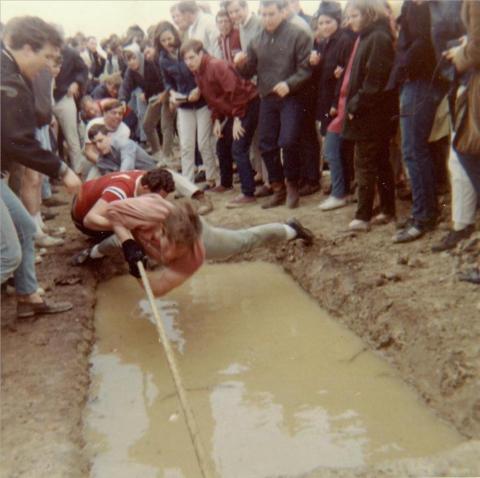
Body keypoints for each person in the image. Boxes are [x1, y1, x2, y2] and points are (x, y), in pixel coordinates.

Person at [102, 176, 315, 297]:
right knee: (114, 242)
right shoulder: (152, 209)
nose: (170, 256)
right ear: (162, 230)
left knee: (242, 241)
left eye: (179, 253)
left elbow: (157, 290)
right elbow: (110, 211)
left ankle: (290, 230)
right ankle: (91, 254)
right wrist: (128, 242)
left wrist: (137, 274)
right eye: (170, 246)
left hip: (201, 234)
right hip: (151, 227)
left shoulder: (195, 256)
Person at [1, 16, 81, 318]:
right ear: (26, 48)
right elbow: (16, 140)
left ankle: (28, 297)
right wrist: (62, 170)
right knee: (7, 255)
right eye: (47, 56)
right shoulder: (5, 77)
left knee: (23, 227)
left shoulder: (10, 71)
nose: (50, 65)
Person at [234, 0, 312, 209]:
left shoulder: (298, 34)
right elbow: (249, 71)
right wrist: (240, 64)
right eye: (263, 14)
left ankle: (292, 184)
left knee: (287, 141)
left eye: (271, 14)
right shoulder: (256, 39)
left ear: (283, 12)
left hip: (291, 97)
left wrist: (289, 83)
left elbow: (306, 69)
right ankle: (278, 188)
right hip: (267, 97)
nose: (267, 19)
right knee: (266, 143)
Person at [388, 0, 443, 243]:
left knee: (413, 149)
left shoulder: (418, 7)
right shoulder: (414, 6)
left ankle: (424, 216)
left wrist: (402, 68)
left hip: (419, 82)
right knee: (417, 149)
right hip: (419, 81)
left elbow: (421, 44)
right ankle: (425, 212)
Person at [182, 39, 259, 208]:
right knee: (222, 144)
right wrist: (216, 119)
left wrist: (238, 118)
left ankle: (248, 193)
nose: (189, 62)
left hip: (248, 104)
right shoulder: (198, 71)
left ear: (201, 54)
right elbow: (213, 98)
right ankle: (226, 183)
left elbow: (237, 91)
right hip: (235, 109)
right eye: (186, 59)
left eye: (192, 57)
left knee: (238, 147)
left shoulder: (216, 66)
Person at [342, 0, 397, 232]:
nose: (350, 21)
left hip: (371, 114)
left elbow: (374, 81)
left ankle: (363, 216)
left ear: (368, 14)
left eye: (354, 15)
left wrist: (354, 106)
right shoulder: (371, 36)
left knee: (364, 163)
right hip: (375, 113)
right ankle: (387, 210)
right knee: (381, 162)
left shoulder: (377, 38)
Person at [155, 21, 217, 185]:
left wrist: (199, 89)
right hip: (184, 104)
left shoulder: (187, 48)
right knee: (186, 145)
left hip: (202, 101)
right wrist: (172, 93)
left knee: (204, 142)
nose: (168, 43)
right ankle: (187, 182)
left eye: (169, 38)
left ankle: (211, 176)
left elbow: (205, 68)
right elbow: (167, 81)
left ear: (175, 35)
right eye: (163, 41)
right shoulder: (162, 59)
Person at [310, 1, 355, 210]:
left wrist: (336, 102)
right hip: (327, 101)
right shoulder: (323, 43)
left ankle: (339, 192)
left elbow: (346, 75)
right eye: (321, 23)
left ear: (337, 21)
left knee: (332, 149)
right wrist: (315, 64)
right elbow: (323, 76)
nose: (324, 26)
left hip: (337, 104)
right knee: (336, 149)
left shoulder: (345, 41)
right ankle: (342, 189)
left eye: (328, 22)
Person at [52, 41, 89, 174]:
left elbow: (83, 69)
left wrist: (76, 83)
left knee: (71, 135)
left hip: (64, 96)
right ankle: (53, 175)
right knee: (51, 139)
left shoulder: (70, 52)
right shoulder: (41, 50)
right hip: (45, 97)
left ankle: (78, 170)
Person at [84, 99, 131, 170]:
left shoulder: (125, 130)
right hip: (93, 161)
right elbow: (88, 151)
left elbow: (120, 155)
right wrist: (105, 165)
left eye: (120, 113)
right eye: (114, 113)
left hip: (114, 163)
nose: (117, 116)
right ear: (105, 113)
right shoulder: (93, 124)